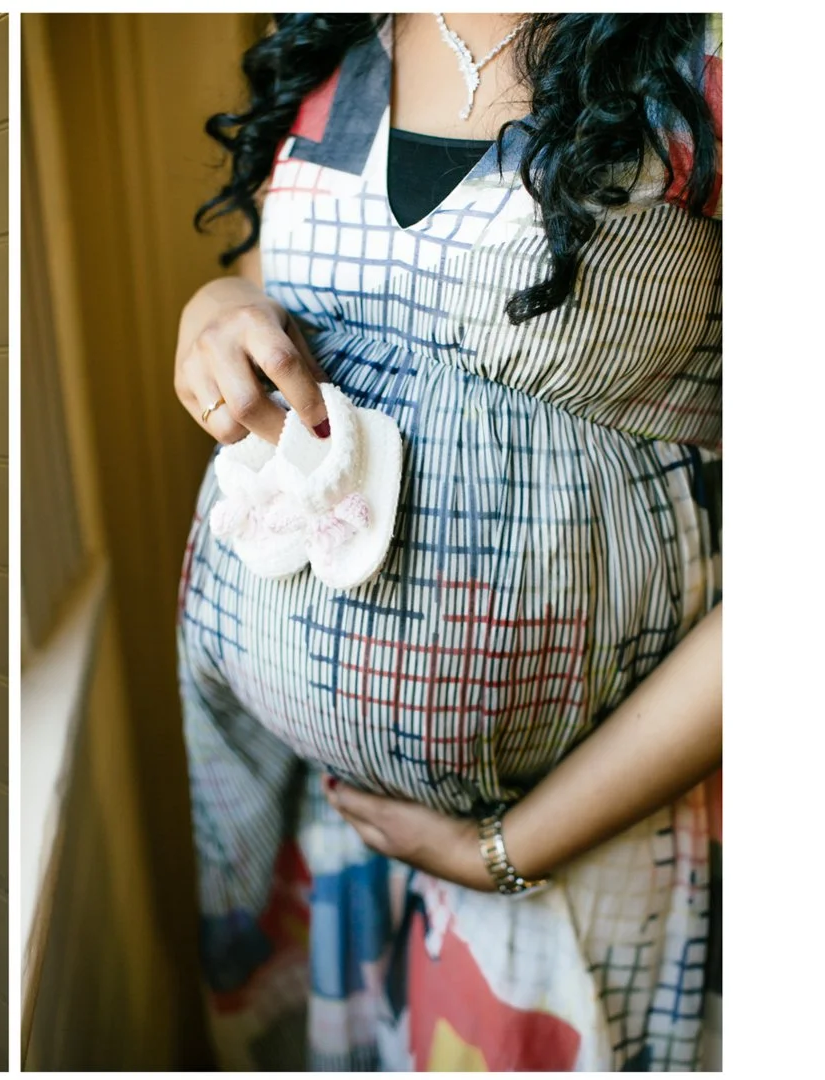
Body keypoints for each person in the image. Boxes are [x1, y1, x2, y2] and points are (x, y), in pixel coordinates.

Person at [173, 13, 720, 1071]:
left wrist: (505, 851)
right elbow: (271, 279)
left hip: (604, 851)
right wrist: (218, 305)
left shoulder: (721, 54)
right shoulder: (335, 39)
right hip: (341, 842)